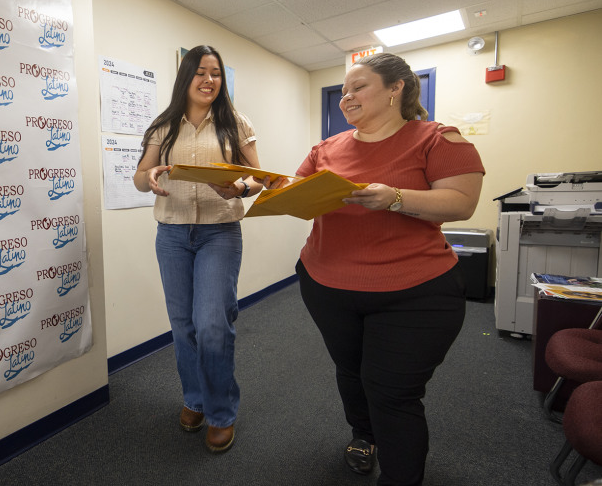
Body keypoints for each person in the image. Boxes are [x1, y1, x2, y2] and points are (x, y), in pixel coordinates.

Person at [283, 52, 484, 485]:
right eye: (344, 91)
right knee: (351, 370)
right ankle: (362, 434)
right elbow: (295, 193)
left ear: (396, 89)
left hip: (416, 293)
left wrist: (396, 197)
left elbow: (462, 203)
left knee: (392, 393)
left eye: (359, 87)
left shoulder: (437, 138)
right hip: (327, 285)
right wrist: (257, 185)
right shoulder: (326, 147)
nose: (347, 97)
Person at [133, 45, 264, 453]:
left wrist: (239, 186)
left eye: (217, 74)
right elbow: (139, 178)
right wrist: (149, 174)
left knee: (211, 324)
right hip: (172, 234)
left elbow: (258, 177)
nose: (209, 80)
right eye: (201, 73)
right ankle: (194, 399)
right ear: (185, 77)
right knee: (182, 325)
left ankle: (221, 412)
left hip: (219, 232)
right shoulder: (164, 126)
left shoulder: (234, 123)